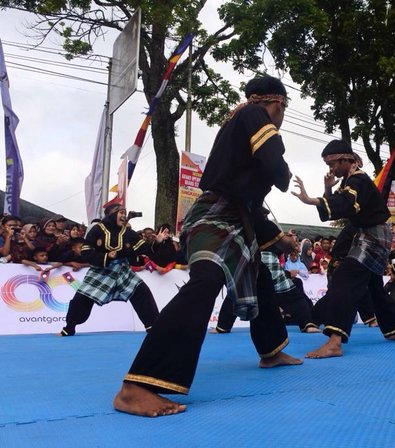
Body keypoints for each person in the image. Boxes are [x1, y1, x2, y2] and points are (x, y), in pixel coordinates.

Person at [113, 75, 301, 417]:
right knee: (206, 282)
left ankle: (271, 349)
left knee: (257, 274)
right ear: (277, 104)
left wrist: (277, 237)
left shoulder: (240, 122)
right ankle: (138, 385)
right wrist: (285, 176)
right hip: (215, 214)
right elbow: (275, 165)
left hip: (235, 213)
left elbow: (247, 203)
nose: (281, 116)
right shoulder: (254, 114)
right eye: (282, 109)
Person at [292, 139, 395, 359]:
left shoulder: (358, 181)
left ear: (345, 160)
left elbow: (345, 204)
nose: (331, 169)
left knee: (344, 279)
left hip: (372, 236)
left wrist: (311, 200)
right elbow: (340, 203)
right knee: (373, 286)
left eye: (333, 164)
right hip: (368, 234)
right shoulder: (351, 181)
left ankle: (335, 342)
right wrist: (328, 188)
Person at [59, 204, 161, 337]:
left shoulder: (128, 232)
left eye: (125, 213)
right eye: (121, 213)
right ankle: (69, 327)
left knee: (142, 292)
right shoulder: (97, 230)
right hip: (101, 269)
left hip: (122, 269)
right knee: (82, 298)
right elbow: (86, 251)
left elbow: (144, 248)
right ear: (112, 214)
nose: (124, 216)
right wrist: (106, 256)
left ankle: (154, 327)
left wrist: (157, 242)